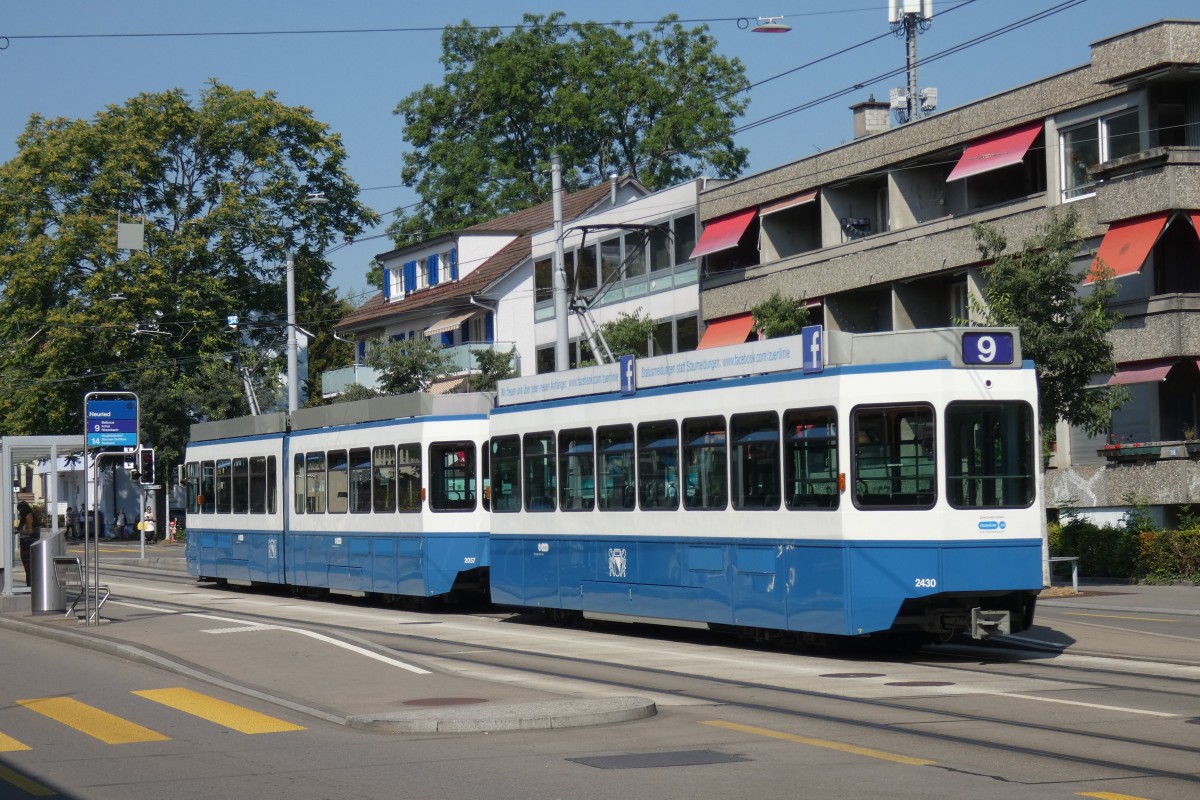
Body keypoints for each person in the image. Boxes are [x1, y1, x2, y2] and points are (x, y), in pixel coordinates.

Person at [17, 501, 37, 579]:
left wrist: (21, 531)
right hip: (25, 545)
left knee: (29, 567)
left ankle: (30, 587)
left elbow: (30, 531)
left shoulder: (28, 516)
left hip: (28, 545)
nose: (19, 512)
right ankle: (29, 586)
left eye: (20, 510)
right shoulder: (24, 518)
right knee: (27, 568)